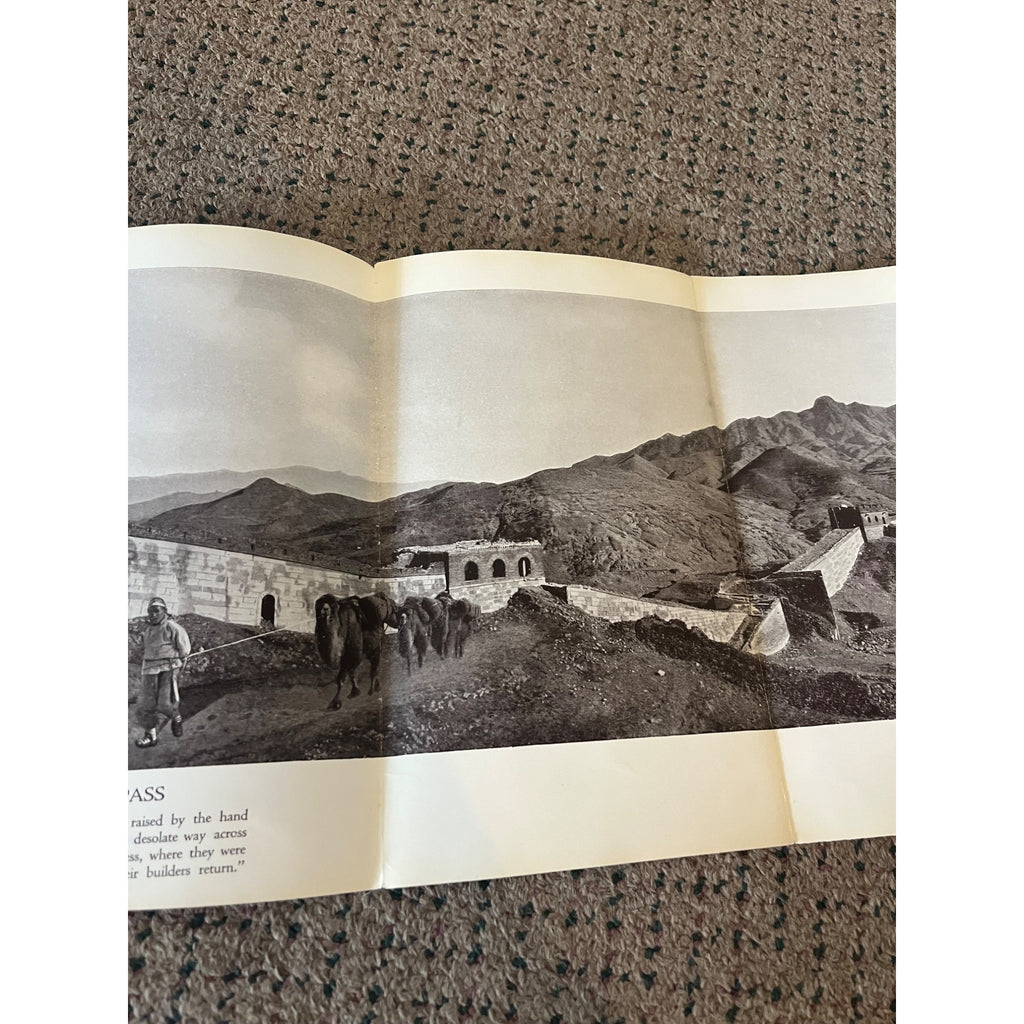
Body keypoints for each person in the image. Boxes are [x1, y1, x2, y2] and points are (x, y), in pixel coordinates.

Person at [135, 597, 191, 748]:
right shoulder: (147, 631)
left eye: (156, 611)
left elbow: (184, 648)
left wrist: (180, 659)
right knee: (146, 705)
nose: (153, 614)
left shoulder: (172, 627)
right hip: (149, 670)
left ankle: (176, 718)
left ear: (164, 611)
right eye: (150, 611)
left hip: (168, 668)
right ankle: (151, 736)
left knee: (165, 704)